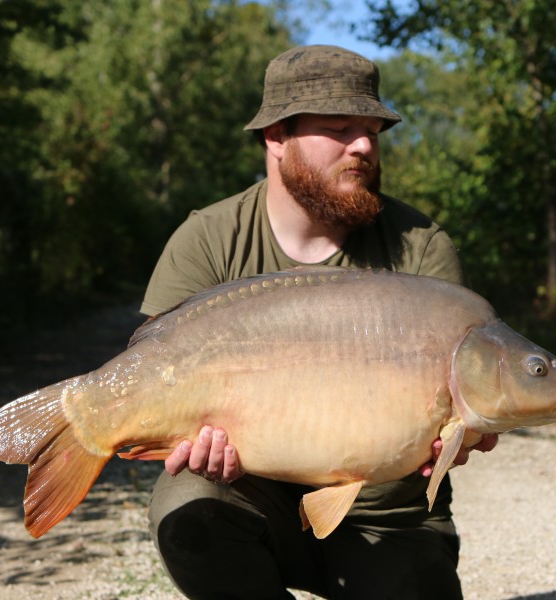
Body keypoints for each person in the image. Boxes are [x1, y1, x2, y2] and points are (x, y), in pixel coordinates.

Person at [138, 45, 498, 600]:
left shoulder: (423, 251)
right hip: (253, 500)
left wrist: (469, 430)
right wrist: (186, 443)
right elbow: (152, 372)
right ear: (276, 137)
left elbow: (473, 396)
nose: (363, 146)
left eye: (373, 130)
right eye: (339, 128)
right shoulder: (207, 241)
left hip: (389, 521)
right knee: (187, 507)